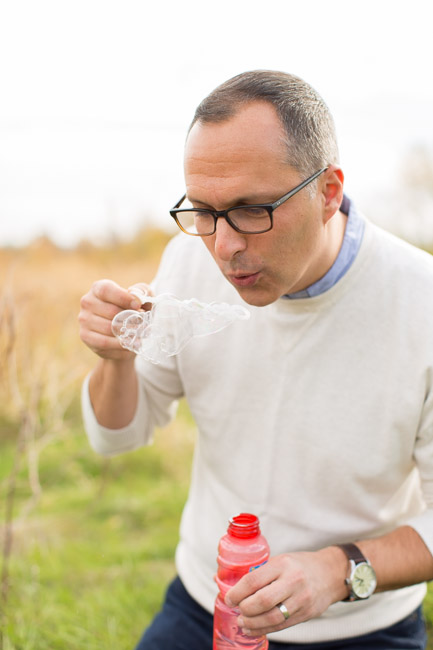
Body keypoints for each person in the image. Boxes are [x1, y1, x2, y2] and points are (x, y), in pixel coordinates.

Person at [78, 70, 433, 649]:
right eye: (204, 212)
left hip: (360, 623)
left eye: (251, 209)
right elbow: (116, 438)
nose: (225, 246)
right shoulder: (187, 262)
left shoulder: (422, 302)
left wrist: (337, 572)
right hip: (207, 601)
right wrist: (115, 360)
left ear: (329, 192)